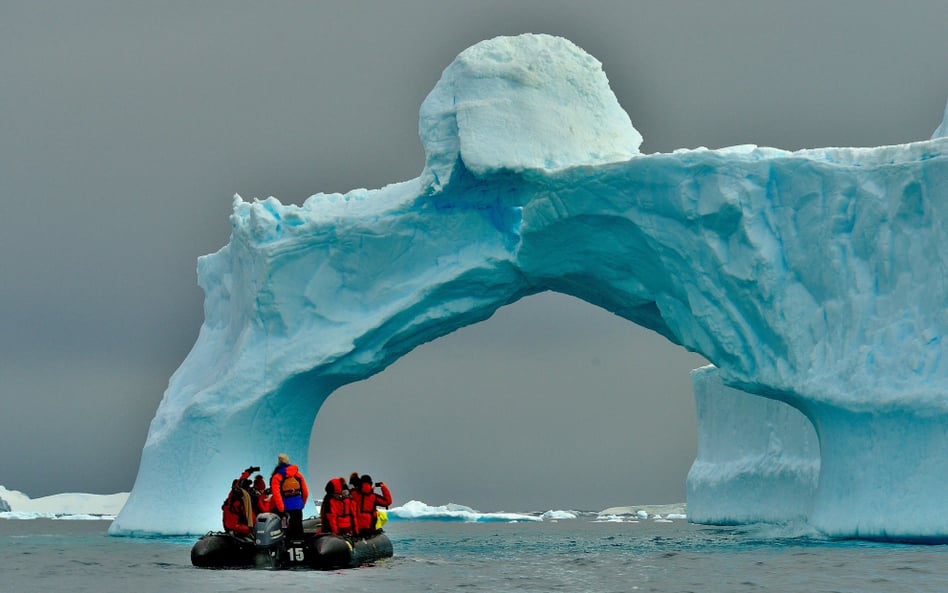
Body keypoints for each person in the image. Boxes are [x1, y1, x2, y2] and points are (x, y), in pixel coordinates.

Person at [270, 453, 309, 539]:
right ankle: (299, 547)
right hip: (297, 507)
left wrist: (281, 509)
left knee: (284, 529)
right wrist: (301, 504)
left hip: (284, 509)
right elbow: (305, 492)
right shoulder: (298, 475)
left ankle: (286, 548)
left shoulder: (277, 476)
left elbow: (277, 495)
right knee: (298, 527)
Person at [221, 467, 259, 539]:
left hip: (226, 525)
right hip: (234, 527)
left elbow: (240, 480)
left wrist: (248, 472)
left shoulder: (232, 494)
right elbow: (251, 518)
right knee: (251, 529)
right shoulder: (242, 500)